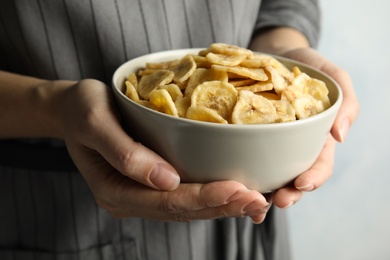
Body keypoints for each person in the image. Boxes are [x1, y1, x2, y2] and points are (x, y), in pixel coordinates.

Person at [0, 0, 359, 259]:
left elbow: (280, 6)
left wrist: (282, 50)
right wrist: (52, 107)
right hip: (57, 213)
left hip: (252, 221)